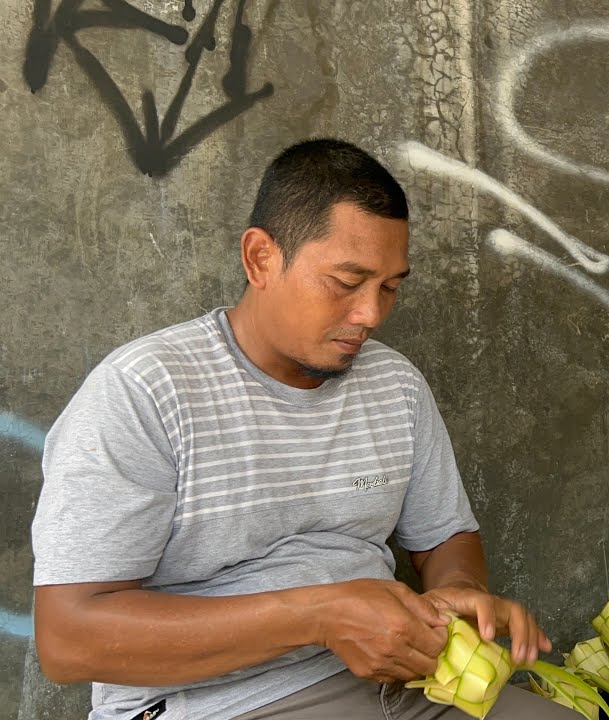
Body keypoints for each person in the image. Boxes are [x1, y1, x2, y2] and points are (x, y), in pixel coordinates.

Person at [30, 139, 578, 720]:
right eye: (346, 281)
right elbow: (68, 640)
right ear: (261, 258)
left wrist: (459, 591)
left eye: (390, 287)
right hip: (215, 704)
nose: (370, 314)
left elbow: (444, 537)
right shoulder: (144, 391)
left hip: (398, 683)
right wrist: (319, 617)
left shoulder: (394, 385)